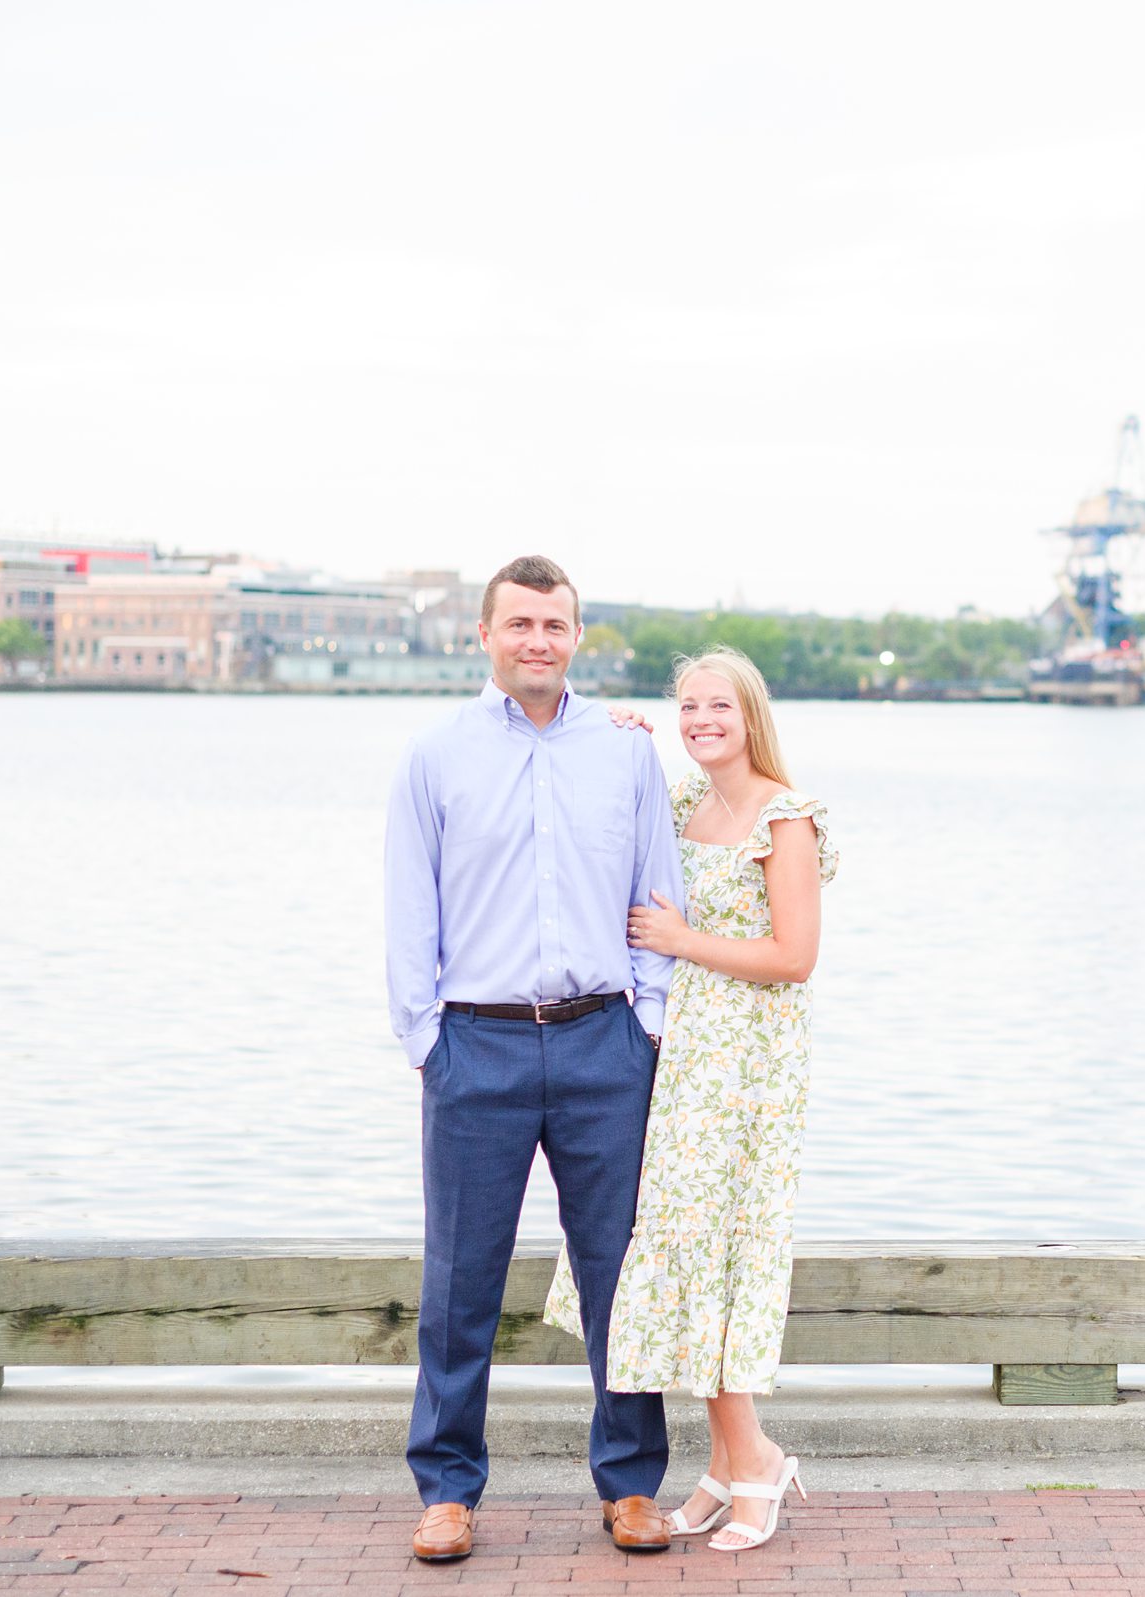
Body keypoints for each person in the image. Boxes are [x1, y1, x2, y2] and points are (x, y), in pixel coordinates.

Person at [385, 555, 685, 1561]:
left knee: (620, 1275)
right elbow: (408, 909)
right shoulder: (435, 756)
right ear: (485, 635)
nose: (538, 641)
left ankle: (632, 1483)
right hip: (477, 1045)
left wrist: (646, 1019)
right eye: (519, 624)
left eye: (555, 625)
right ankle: (448, 1488)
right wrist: (427, 1038)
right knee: (461, 1279)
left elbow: (658, 894)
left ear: (577, 636)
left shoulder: (626, 752)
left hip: (606, 1043)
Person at [544, 644, 835, 1554]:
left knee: (718, 1253)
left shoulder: (784, 819)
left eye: (720, 706)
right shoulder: (684, 801)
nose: (703, 720)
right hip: (679, 1062)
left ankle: (756, 1465)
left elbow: (794, 957)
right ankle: (726, 1465)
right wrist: (616, 729)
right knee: (677, 1251)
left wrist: (682, 936)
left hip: (744, 1073)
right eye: (688, 708)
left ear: (752, 714)